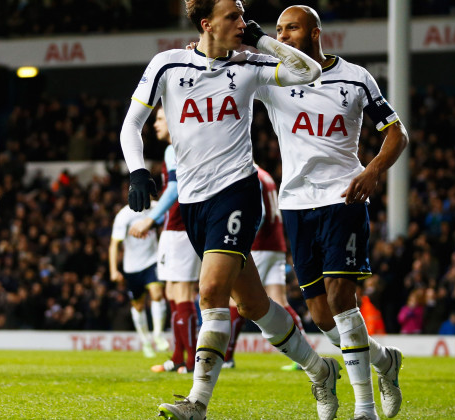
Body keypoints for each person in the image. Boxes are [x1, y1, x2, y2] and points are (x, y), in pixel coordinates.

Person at [119, 1, 340, 419]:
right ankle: (319, 369)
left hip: (236, 192)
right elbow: (131, 124)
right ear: (207, 24)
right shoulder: (168, 65)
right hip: (194, 203)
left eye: (244, 15)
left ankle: (197, 402)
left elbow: (310, 71)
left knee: (209, 293)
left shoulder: (250, 65)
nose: (243, 23)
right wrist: (136, 172)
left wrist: (261, 39)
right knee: (253, 306)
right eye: (234, 17)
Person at [254, 6, 409, 419]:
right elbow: (226, 64)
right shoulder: (271, 76)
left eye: (293, 28)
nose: (283, 35)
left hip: (344, 196)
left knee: (342, 296)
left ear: (315, 33)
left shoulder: (355, 77)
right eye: (279, 29)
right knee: (322, 316)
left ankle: (364, 407)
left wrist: (373, 170)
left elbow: (397, 133)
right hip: (296, 203)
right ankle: (384, 362)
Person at [129, 106, 201, 375]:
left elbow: (176, 188)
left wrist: (152, 218)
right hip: (183, 227)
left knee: (181, 294)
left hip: (179, 229)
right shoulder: (188, 148)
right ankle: (177, 358)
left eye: (160, 119)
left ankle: (192, 362)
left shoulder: (174, 149)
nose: (155, 124)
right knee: (173, 293)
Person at [222, 164, 307, 372]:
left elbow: (255, 211)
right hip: (275, 245)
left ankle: (227, 357)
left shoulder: (247, 173)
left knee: (235, 301)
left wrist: (244, 237)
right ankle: (304, 351)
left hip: (258, 245)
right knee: (279, 300)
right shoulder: (266, 174)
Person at [109, 201, 167, 358]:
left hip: (152, 261)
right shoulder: (124, 215)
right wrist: (114, 270)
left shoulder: (157, 207)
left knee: (157, 294)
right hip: (132, 267)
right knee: (138, 306)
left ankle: (158, 334)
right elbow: (114, 244)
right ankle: (145, 341)